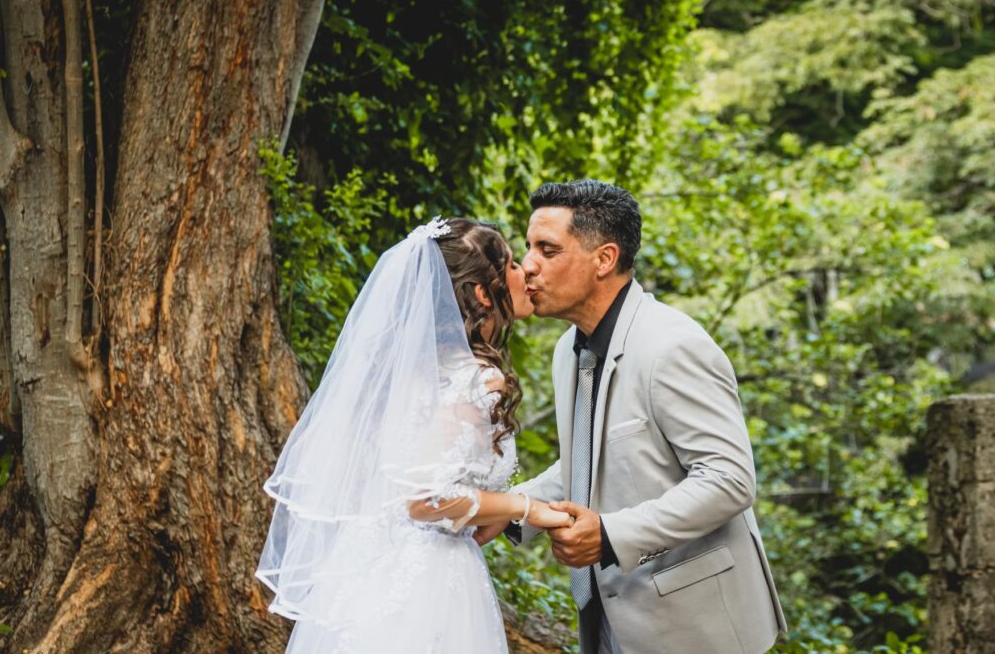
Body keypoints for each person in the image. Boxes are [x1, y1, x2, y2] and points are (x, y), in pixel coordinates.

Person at [475, 180, 787, 653]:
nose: (529, 266)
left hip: (695, 630)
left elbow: (729, 480)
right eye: (529, 247)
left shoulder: (674, 346)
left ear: (603, 259)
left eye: (548, 249)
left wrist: (609, 534)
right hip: (607, 619)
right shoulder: (567, 350)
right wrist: (514, 510)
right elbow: (591, 460)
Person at [256, 217, 571, 653]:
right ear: (483, 294)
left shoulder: (414, 373)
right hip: (429, 584)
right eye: (514, 265)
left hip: (373, 567)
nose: (527, 272)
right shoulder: (477, 379)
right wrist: (525, 507)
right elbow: (427, 499)